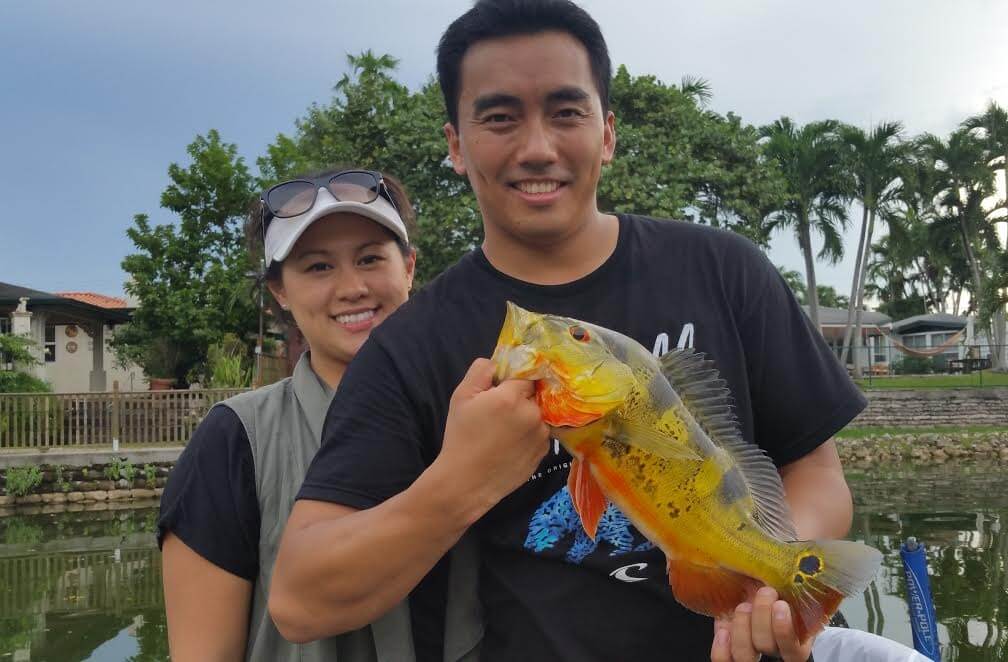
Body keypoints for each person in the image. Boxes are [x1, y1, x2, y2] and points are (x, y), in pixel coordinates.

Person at [270, 2, 867, 661]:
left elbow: (813, 469)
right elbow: (300, 602)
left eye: (565, 112)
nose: (536, 148)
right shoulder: (410, 346)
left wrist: (766, 588)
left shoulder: (728, 271)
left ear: (606, 133)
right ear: (455, 145)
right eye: (499, 118)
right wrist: (461, 480)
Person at [157, 169, 480, 661]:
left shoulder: (483, 415)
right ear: (279, 292)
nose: (352, 288)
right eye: (317, 267)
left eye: (370, 259)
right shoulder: (235, 442)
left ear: (410, 268)